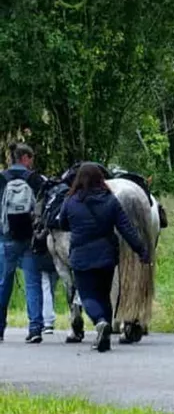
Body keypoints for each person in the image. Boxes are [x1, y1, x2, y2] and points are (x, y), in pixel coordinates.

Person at [59, 162, 151, 352]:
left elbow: (62, 223)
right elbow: (127, 228)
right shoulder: (110, 200)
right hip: (106, 256)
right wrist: (141, 250)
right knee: (104, 296)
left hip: (81, 257)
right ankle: (105, 338)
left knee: (87, 296)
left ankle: (100, 323)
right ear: (101, 179)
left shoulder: (71, 201)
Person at [0, 143, 47, 343]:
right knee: (33, 282)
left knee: (3, 283)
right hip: (30, 238)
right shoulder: (35, 180)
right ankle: (35, 328)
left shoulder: (1, 178)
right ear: (26, 158)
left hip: (6, 237)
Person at [37, 251, 59, 335]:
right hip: (58, 258)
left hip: (43, 256)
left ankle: (47, 322)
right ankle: (48, 320)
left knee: (46, 287)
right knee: (51, 288)